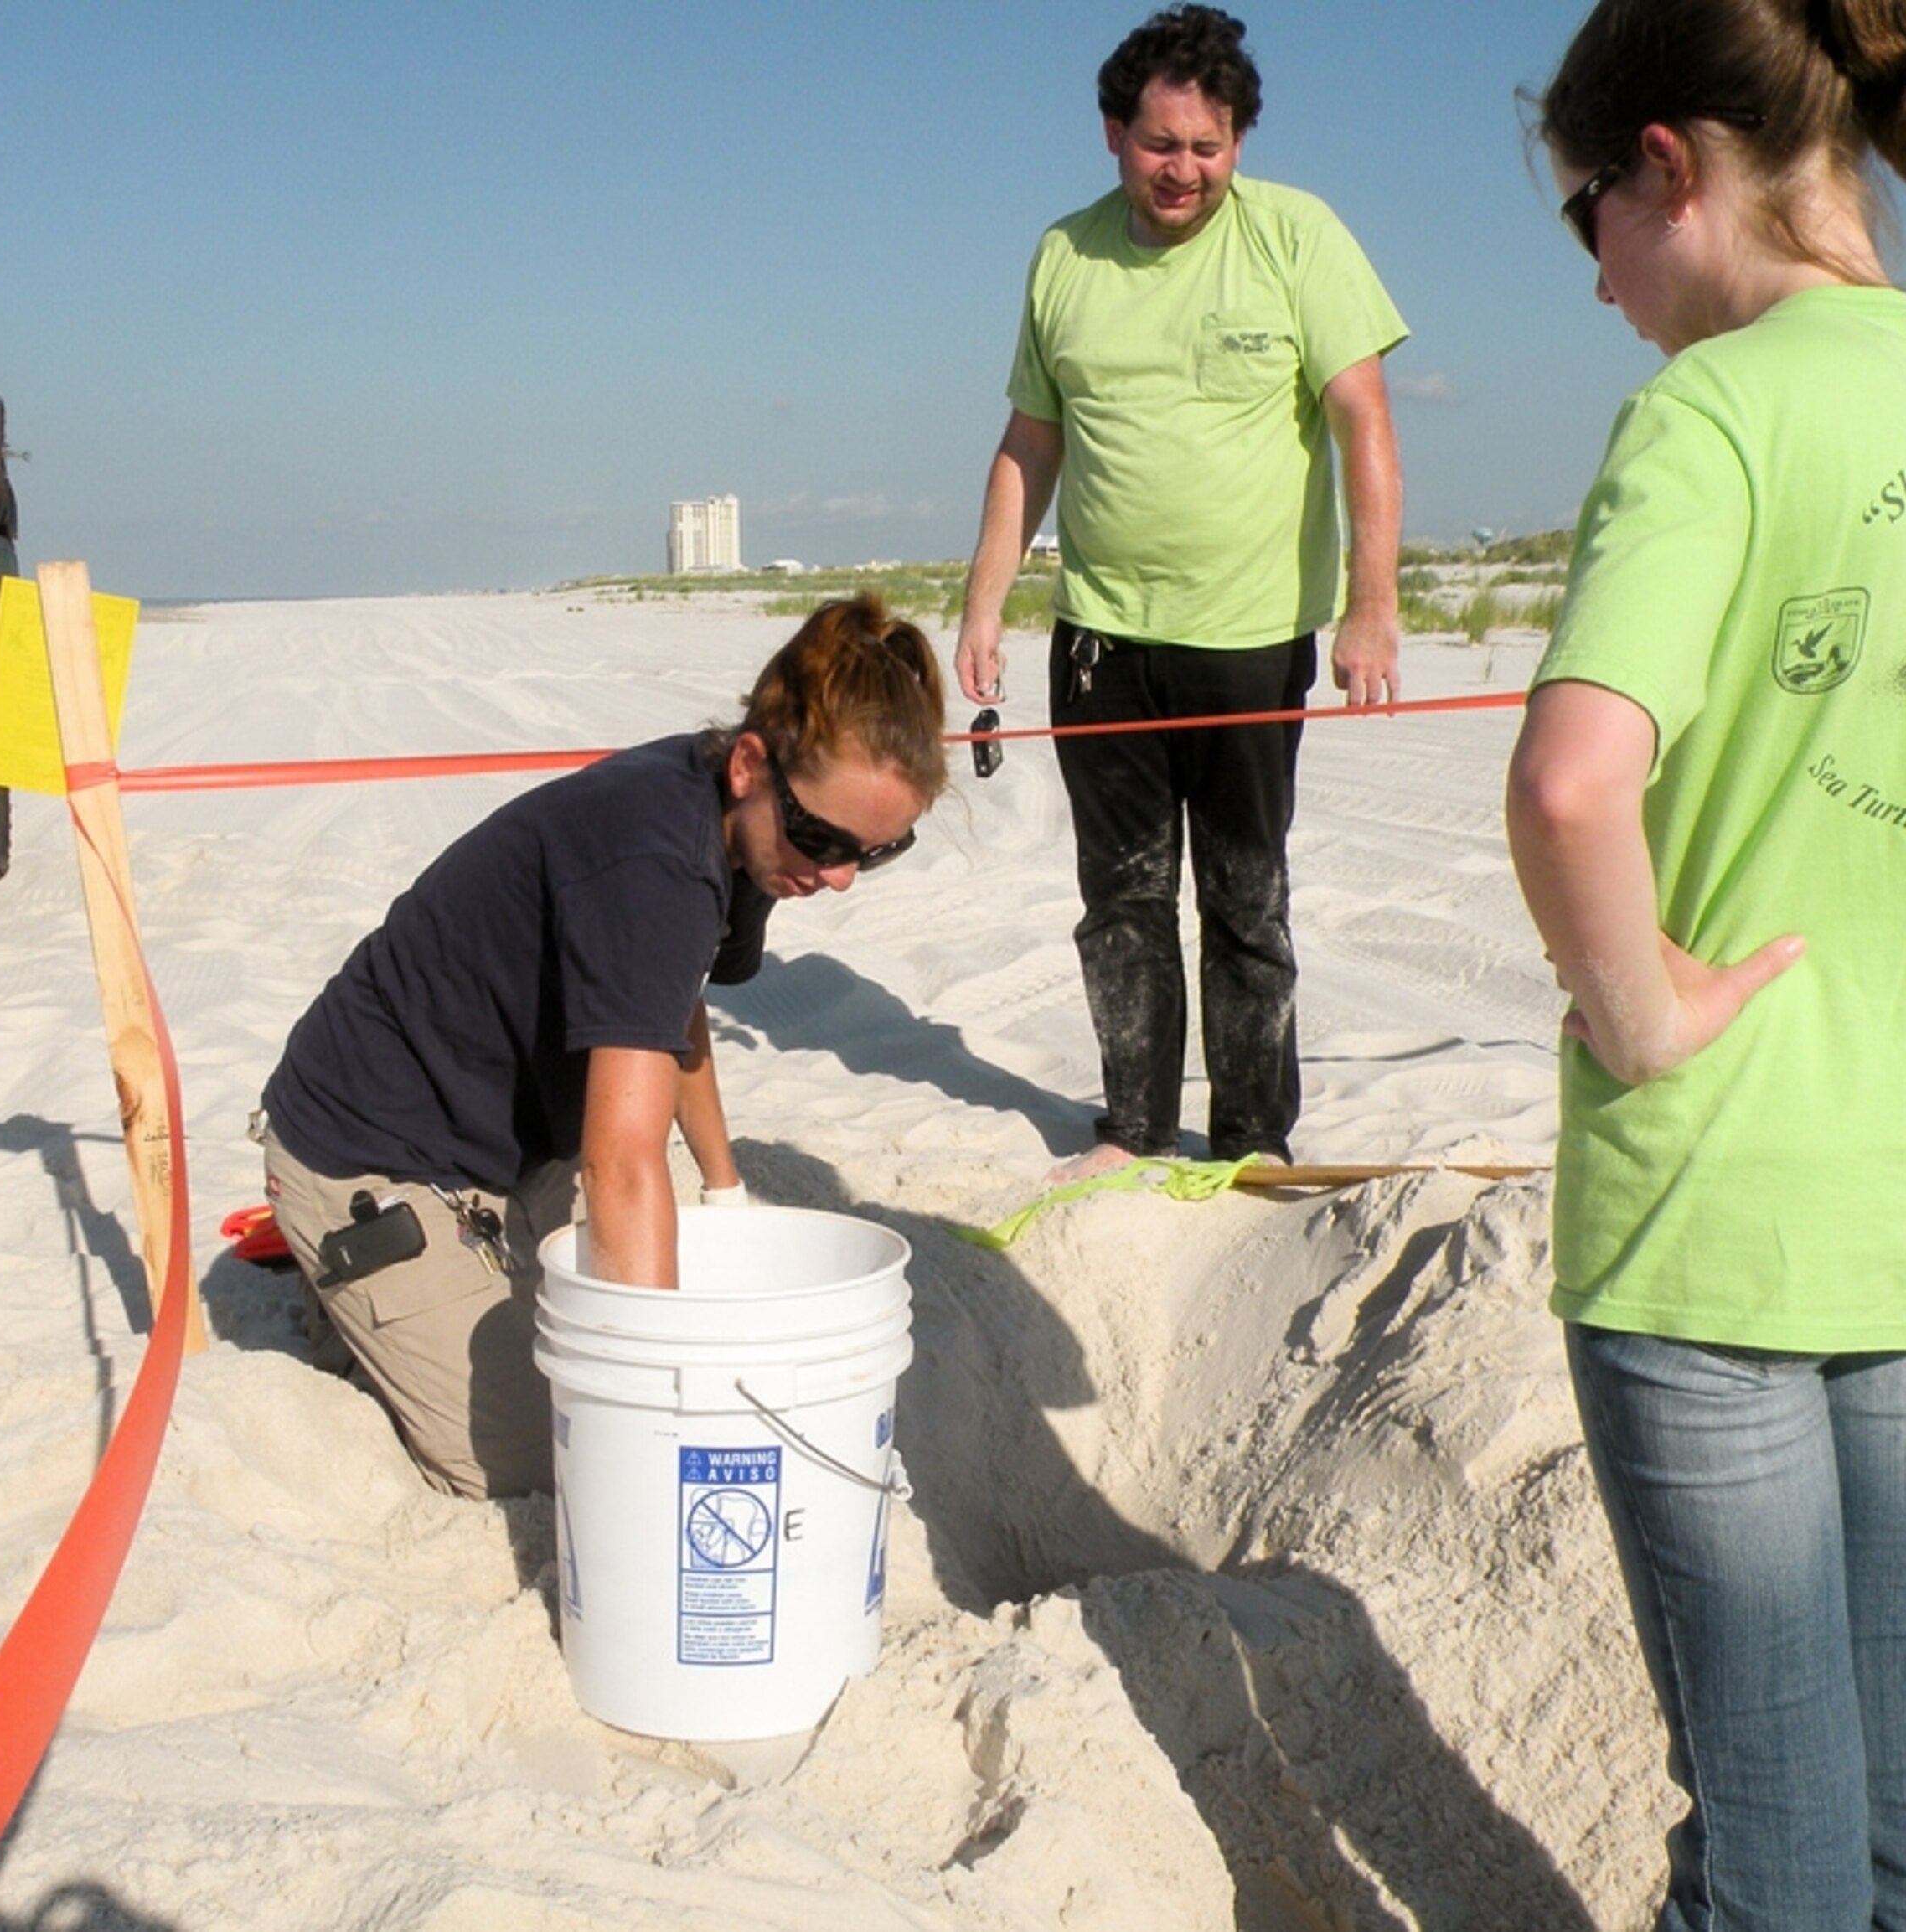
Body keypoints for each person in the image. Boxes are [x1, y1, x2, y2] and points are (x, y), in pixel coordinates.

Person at [1505, 3, 1906, 1925]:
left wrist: (1645, 1012)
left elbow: (1567, 783)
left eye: (1582, 214)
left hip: (1714, 1217)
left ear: (1667, 170)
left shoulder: (1709, 414)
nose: (1595, 276)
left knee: (1765, 1835)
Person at [254, 596, 947, 1501]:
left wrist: (724, 1187)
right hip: (370, 1141)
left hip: (509, 1146)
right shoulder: (657, 856)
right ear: (750, 763)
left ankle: (417, 1296)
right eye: (823, 839)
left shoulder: (749, 833)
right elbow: (621, 1164)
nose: (840, 874)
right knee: (551, 1455)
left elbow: (674, 1004)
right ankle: (349, 1298)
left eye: (877, 850)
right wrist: (662, 1411)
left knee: (624, 1328)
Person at [954, 3, 1406, 1176]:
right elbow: (1029, 445)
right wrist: (985, 602)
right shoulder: (1064, 254)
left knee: (1247, 898)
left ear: (1240, 143)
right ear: (1115, 132)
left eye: (1209, 148)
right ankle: (1136, 1128)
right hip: (1103, 636)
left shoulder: (1299, 237)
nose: (1184, 170)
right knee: (1122, 900)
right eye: (1162, 144)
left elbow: (1364, 418)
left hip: (1253, 637)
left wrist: (1373, 604)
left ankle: (1254, 1135)